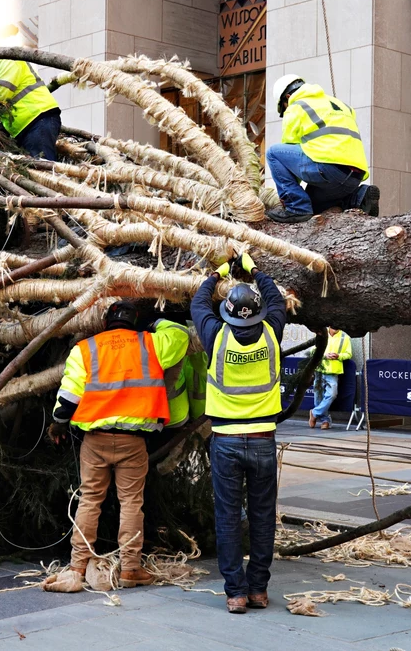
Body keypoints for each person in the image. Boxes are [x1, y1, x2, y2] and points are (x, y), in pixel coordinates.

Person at [41, 301, 189, 594]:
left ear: (105, 322)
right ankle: (132, 568)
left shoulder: (86, 348)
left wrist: (58, 425)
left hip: (94, 440)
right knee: (132, 503)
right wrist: (156, 324)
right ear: (135, 321)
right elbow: (181, 335)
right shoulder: (151, 343)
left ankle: (77, 568)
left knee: (89, 500)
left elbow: (69, 396)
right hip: (133, 442)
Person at [191, 253, 286, 614]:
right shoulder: (273, 331)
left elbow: (199, 302)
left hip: (226, 440)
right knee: (263, 515)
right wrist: (255, 269)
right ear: (260, 312)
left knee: (228, 516)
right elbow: (276, 298)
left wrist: (218, 272)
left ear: (227, 311)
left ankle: (236, 593)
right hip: (263, 439)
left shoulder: (215, 334)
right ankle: (259, 589)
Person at [265, 74, 380, 223]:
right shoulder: (339, 104)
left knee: (274, 154)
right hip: (353, 175)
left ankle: (296, 208)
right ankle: (359, 197)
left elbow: (289, 153)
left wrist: (290, 194)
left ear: (287, 97)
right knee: (313, 207)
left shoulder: (297, 106)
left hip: (328, 169)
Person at [0, 29, 62, 160]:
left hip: (37, 119)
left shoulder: (6, 60)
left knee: (44, 169)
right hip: (31, 124)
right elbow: (8, 105)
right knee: (37, 169)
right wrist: (2, 131)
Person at [309, 327, 352, 430]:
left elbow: (349, 354)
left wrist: (338, 356)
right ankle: (325, 420)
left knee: (332, 394)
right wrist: (324, 355)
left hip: (333, 371)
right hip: (320, 369)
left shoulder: (345, 337)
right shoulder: (321, 334)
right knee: (318, 397)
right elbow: (312, 350)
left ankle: (314, 413)